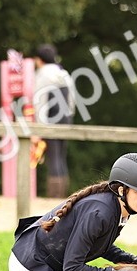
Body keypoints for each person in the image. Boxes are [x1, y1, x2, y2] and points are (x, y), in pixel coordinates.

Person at [32, 45, 76, 198]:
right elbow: (72, 100)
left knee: (53, 158)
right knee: (61, 157)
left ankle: (54, 197)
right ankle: (62, 194)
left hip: (50, 119)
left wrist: (39, 126)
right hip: (65, 119)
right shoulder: (63, 73)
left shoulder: (43, 74)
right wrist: (69, 118)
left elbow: (40, 101)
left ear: (39, 60)